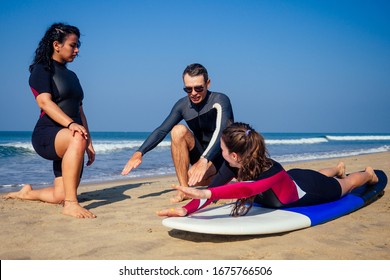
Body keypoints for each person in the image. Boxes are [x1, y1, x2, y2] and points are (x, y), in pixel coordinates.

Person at [157, 122, 379, 217]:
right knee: (318, 173)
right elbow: (216, 190)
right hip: (293, 179)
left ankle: (367, 173)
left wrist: (204, 192)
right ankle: (337, 167)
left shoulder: (269, 173)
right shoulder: (232, 165)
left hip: (309, 191)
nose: (220, 152)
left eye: (222, 149)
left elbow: (247, 190)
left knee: (345, 184)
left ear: (234, 155)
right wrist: (188, 209)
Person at [3, 23, 96, 218]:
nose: (77, 50)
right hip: (48, 135)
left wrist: (89, 141)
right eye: (73, 45)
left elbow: (80, 110)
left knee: (60, 194)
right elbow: (45, 103)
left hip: (72, 137)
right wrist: (72, 126)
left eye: (78, 45)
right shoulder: (41, 70)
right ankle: (71, 205)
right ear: (56, 45)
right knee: (76, 138)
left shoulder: (72, 76)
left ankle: (27, 193)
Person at [121, 63, 234, 202]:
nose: (193, 93)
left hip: (220, 156)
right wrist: (139, 152)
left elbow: (222, 131)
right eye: (188, 89)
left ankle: (223, 176)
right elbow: (162, 130)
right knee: (177, 130)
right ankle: (184, 189)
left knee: (200, 181)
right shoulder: (182, 105)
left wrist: (204, 160)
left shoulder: (220, 100)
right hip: (200, 157)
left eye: (198, 88)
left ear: (208, 83)